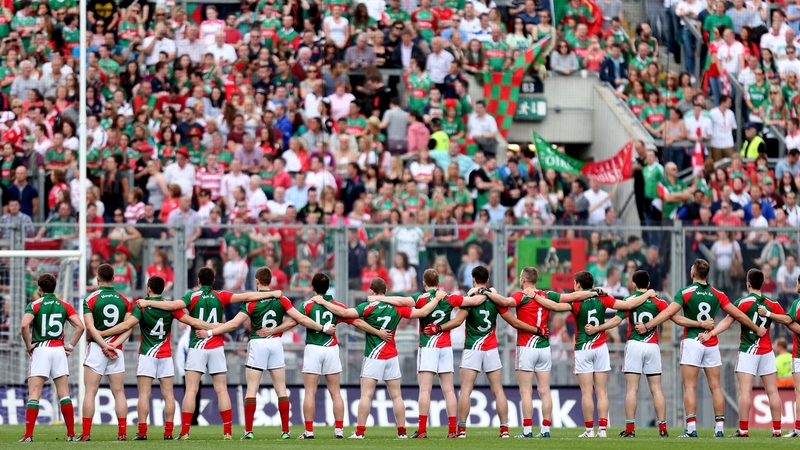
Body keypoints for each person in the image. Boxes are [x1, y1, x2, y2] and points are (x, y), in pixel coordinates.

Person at [135, 267, 287, 440]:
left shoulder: (191, 296)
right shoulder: (220, 295)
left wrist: (148, 302)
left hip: (198, 346)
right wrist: (271, 294)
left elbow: (171, 306)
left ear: (198, 281)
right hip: (216, 346)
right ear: (214, 281)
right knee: (222, 390)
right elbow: (246, 296)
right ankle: (228, 433)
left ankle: (184, 433)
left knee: (191, 390)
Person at [195, 267, 335, 440]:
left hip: (257, 342)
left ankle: (248, 431)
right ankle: (285, 431)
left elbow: (233, 324)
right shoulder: (281, 299)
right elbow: (301, 319)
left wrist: (210, 332)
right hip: (275, 342)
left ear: (256, 281)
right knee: (281, 389)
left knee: (252, 388)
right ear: (271, 281)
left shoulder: (252, 302)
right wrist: (322, 328)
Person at [634, 259, 766, 437]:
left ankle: (691, 429)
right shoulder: (718, 293)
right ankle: (719, 429)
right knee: (716, 387)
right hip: (711, 342)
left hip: (692, 340)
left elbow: (667, 313)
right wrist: (757, 328)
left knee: (690, 387)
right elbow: (738, 315)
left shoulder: (685, 292)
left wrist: (648, 326)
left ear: (693, 273)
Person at [309, 277, 445, 438]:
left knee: (366, 395)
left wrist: (323, 302)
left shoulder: (367, 307)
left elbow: (344, 313)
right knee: (396, 395)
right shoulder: (397, 308)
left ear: (371, 292)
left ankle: (360, 432)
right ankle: (402, 432)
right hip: (391, 355)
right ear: (385, 292)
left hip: (373, 355)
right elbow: (422, 312)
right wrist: (436, 298)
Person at [580, 270, 711, 437]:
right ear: (648, 284)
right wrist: (701, 324)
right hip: (652, 346)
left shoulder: (629, 300)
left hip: (634, 344)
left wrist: (598, 328)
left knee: (631, 389)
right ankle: (663, 429)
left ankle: (629, 429)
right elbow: (677, 319)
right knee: (656, 389)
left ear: (634, 284)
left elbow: (615, 321)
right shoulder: (658, 301)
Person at [368, 269, 489, 438]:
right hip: (445, 346)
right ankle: (452, 430)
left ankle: (422, 430)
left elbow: (401, 300)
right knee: (449, 391)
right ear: (438, 283)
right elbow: (475, 301)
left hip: (428, 346)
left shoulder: (420, 298)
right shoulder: (449, 297)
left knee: (425, 390)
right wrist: (486, 292)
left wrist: (379, 298)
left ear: (424, 283)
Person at [533, 271, 655, 438]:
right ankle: (603, 430)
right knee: (602, 392)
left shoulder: (576, 300)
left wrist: (537, 297)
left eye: (575, 283)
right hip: (601, 347)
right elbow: (628, 305)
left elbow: (555, 307)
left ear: (578, 285)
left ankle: (590, 430)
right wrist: (648, 293)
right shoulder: (602, 297)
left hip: (583, 348)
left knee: (586, 392)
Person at [430, 266, 545, 438]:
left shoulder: (470, 299)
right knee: (498, 390)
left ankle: (461, 431)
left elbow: (458, 321)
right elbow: (514, 322)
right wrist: (537, 329)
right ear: (488, 280)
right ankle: (504, 430)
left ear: (473, 279)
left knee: (466, 390)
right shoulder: (495, 300)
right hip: (491, 348)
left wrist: (439, 328)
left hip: (472, 348)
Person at [481, 267, 596, 438]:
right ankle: (546, 429)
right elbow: (573, 296)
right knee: (545, 390)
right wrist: (593, 293)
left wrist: (487, 292)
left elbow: (504, 303)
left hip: (526, 346)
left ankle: (527, 430)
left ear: (523, 280)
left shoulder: (521, 296)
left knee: (526, 391)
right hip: (544, 347)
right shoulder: (547, 295)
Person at [97, 276, 212, 440]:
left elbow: (126, 325)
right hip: (165, 355)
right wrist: (215, 327)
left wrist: (103, 334)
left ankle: (142, 432)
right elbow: (191, 321)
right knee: (169, 395)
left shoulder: (142, 306)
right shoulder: (170, 307)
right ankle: (168, 433)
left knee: (144, 395)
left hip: (147, 355)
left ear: (149, 288)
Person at [296, 273, 390, 439]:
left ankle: (309, 431)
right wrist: (377, 332)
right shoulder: (336, 306)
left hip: (313, 347)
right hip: (331, 348)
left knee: (310, 392)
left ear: (312, 288)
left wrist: (273, 331)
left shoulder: (306, 305)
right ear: (328, 287)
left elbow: (294, 321)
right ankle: (339, 431)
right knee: (336, 392)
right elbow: (358, 322)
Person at [703, 269, 785, 437]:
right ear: (762, 283)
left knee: (745, 391)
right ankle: (777, 430)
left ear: (748, 283)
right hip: (767, 350)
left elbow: (727, 321)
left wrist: (710, 333)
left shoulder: (742, 302)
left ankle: (744, 430)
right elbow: (786, 320)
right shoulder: (772, 303)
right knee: (773, 391)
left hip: (748, 350)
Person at [18, 273, 84, 442]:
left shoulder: (34, 305)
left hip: (41, 349)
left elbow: (25, 325)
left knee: (35, 393)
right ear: (55, 288)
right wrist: (70, 346)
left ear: (39, 288)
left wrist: (28, 345)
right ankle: (70, 435)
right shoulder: (64, 305)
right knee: (64, 394)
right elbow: (80, 327)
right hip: (58, 350)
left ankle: (28, 435)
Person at [80, 264, 134, 441]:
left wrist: (103, 345)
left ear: (97, 278)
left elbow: (89, 326)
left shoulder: (90, 299)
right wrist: (114, 345)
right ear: (114, 278)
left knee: (90, 392)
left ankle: (86, 434)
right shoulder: (124, 300)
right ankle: (123, 433)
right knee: (119, 392)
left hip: (97, 348)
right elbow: (129, 327)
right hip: (116, 350)